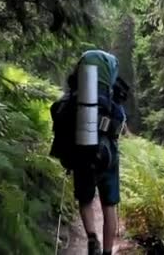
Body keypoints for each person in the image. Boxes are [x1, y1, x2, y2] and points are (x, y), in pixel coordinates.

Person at [50, 50, 127, 255]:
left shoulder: (75, 96)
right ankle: (108, 251)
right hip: (107, 155)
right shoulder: (112, 96)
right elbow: (121, 123)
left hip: (82, 153)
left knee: (85, 200)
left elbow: (58, 113)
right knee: (108, 205)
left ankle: (92, 238)